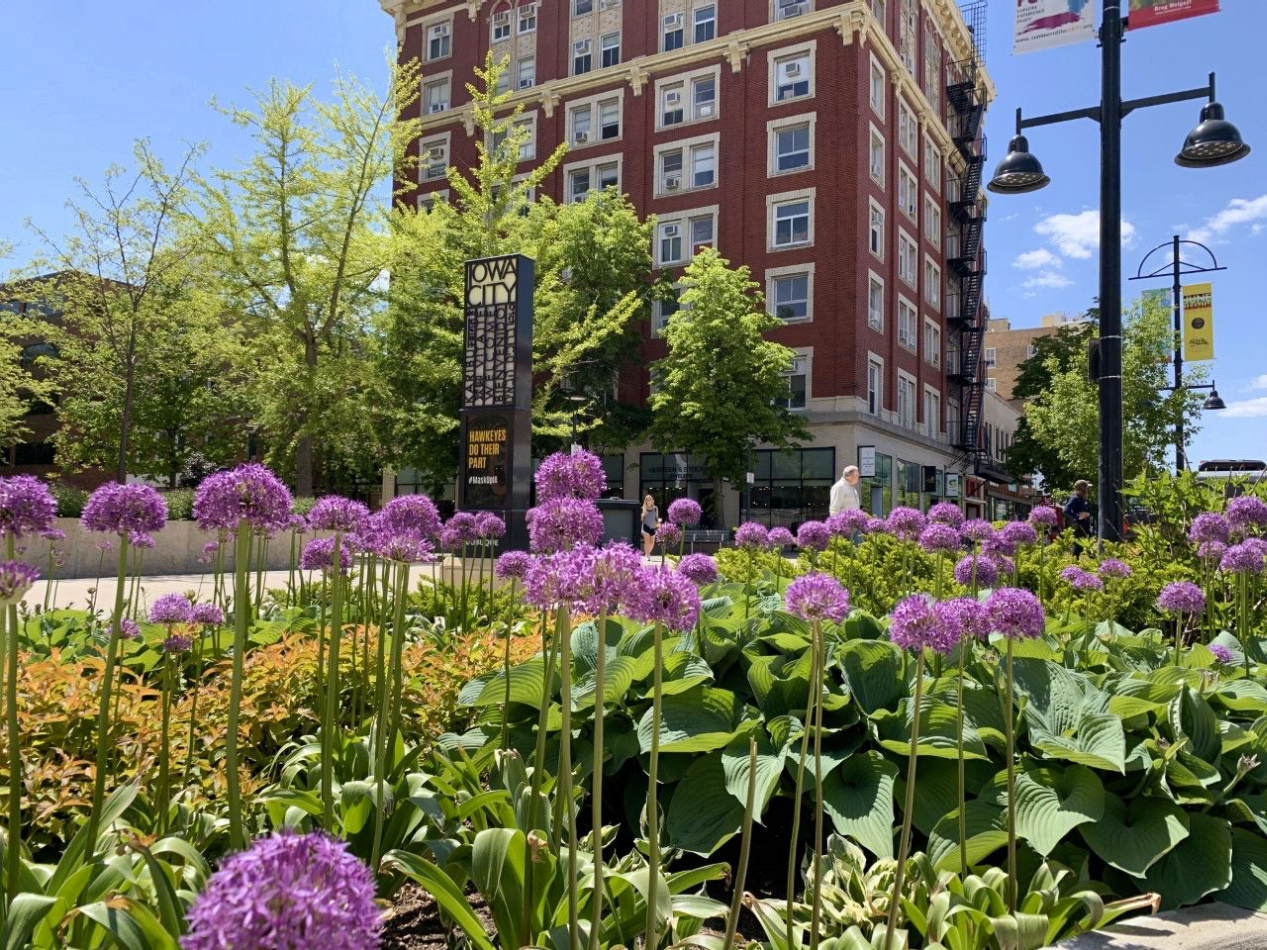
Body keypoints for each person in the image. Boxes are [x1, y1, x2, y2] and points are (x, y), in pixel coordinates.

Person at [1063, 479, 1093, 556]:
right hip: (1080, 526)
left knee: (1088, 545)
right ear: (1083, 488)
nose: (1088, 490)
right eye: (1087, 488)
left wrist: (1087, 514)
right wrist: (1077, 516)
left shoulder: (1081, 499)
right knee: (1079, 547)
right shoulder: (1075, 498)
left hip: (1084, 525)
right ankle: (1074, 564)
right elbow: (1066, 510)